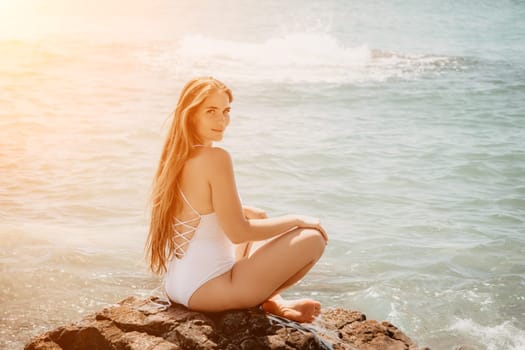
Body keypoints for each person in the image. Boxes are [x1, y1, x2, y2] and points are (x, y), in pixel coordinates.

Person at [145, 77, 328, 323]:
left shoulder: (175, 159)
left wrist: (250, 213)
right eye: (211, 111)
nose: (222, 120)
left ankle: (273, 302)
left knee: (256, 216)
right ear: (190, 115)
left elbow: (200, 211)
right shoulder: (216, 157)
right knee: (314, 238)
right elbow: (238, 233)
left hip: (177, 285)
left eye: (226, 110)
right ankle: (270, 300)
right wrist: (295, 220)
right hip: (208, 290)